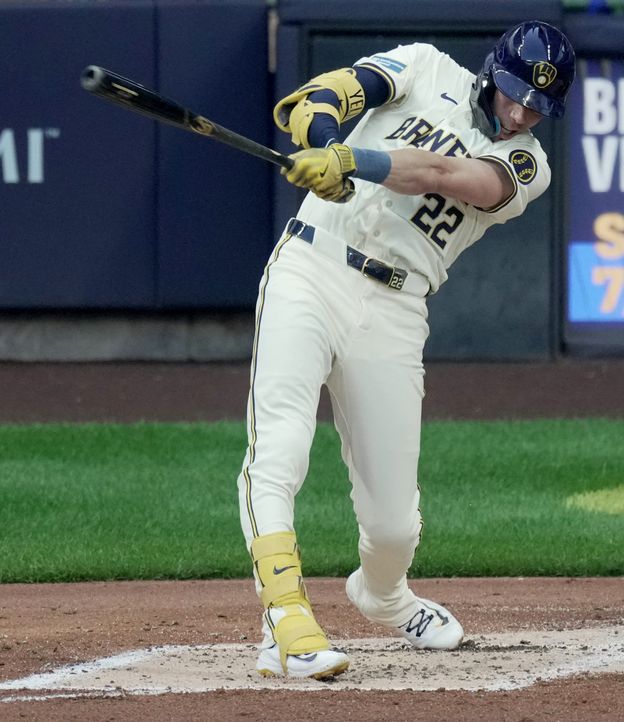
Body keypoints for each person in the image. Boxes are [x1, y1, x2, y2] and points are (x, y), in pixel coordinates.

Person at [236, 20, 576, 679]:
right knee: (279, 449)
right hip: (310, 268)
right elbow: (338, 91)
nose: (521, 112)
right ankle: (285, 619)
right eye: (514, 95)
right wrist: (324, 135)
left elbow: (450, 175)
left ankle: (383, 596)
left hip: (395, 307)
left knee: (394, 526)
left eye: (538, 106)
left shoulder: (528, 164)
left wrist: (351, 162)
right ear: (492, 73)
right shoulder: (424, 67)